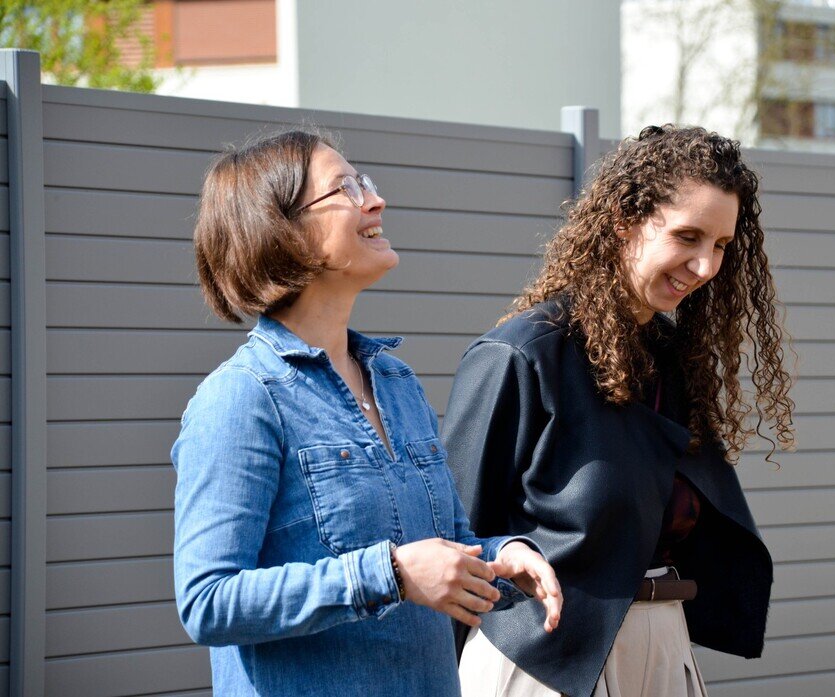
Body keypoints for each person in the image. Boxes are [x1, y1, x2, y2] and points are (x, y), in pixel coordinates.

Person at [171, 130, 561, 697]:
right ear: (281, 230)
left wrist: (502, 556)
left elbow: (445, 543)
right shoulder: (242, 398)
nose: (375, 201)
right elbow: (208, 601)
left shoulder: (396, 383)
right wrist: (394, 575)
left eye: (366, 185)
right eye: (344, 189)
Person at [443, 125, 796, 697]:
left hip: (663, 645)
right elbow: (455, 537)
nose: (706, 266)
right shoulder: (521, 356)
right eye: (688, 236)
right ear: (623, 223)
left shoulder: (674, 360)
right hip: (538, 660)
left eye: (722, 246)